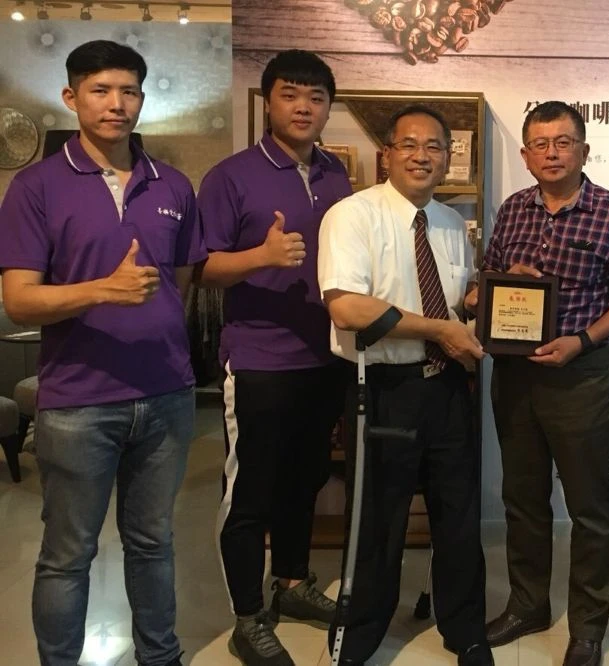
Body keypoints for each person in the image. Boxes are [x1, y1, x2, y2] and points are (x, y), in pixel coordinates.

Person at [0, 40, 204, 666]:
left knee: (154, 543)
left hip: (167, 395)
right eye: (100, 90)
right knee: (68, 555)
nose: (117, 104)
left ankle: (160, 657)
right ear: (72, 97)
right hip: (78, 401)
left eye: (130, 91)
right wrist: (101, 291)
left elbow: (182, 280)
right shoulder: (35, 186)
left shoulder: (172, 183)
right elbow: (19, 301)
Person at [477, 101, 609, 666]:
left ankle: (588, 626)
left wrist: (583, 339)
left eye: (563, 142)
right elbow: (485, 284)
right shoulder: (513, 210)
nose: (551, 153)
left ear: (584, 150)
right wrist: (504, 281)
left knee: (589, 508)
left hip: (581, 376)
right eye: (540, 144)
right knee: (522, 498)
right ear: (526, 154)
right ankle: (528, 605)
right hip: (515, 375)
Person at [318, 105, 493, 666]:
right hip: (382, 389)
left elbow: (454, 297)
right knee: (377, 520)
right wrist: (441, 328)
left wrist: (482, 302)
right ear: (387, 154)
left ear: (447, 156)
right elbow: (347, 308)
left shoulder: (450, 223)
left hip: (447, 388)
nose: (422, 156)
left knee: (459, 515)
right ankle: (363, 631)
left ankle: (465, 629)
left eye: (434, 146)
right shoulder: (352, 215)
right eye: (409, 145)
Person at [197, 50, 353, 666]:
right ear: (268, 102)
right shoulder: (231, 176)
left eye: (316, 97)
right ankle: (247, 618)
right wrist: (261, 257)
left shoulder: (337, 173)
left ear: (328, 107)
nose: (303, 107)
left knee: (304, 480)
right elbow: (201, 269)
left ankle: (291, 583)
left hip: (325, 357)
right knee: (250, 493)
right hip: (260, 359)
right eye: (291, 94)